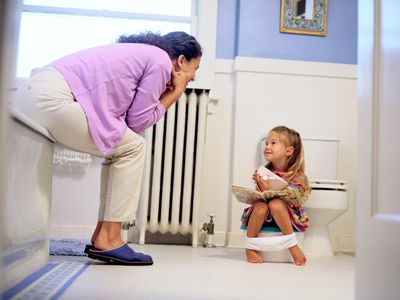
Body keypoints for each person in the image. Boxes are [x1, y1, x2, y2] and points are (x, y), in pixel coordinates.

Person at [12, 31, 202, 265]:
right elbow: (137, 124)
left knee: (121, 148)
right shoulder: (161, 60)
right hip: (50, 99)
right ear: (181, 61)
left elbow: (127, 122)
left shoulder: (144, 55)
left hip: (32, 96)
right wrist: (175, 92)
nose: (193, 77)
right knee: (134, 147)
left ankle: (103, 234)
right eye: (196, 67)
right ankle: (110, 238)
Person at [242, 126, 311, 265]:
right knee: (260, 206)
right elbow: (261, 198)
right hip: (264, 215)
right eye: (267, 143)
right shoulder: (264, 171)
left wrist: (271, 190)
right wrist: (261, 189)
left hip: (286, 215)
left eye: (273, 143)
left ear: (288, 151)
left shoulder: (298, 176)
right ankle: (250, 247)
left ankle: (292, 246)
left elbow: (294, 198)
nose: (267, 146)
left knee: (276, 204)